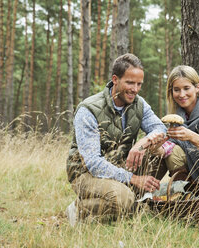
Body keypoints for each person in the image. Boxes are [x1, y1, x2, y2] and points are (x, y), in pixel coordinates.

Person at [65, 53, 168, 226]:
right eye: (129, 83)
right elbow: (93, 163)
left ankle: (136, 204)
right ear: (115, 79)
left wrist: (141, 144)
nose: (135, 89)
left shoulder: (139, 104)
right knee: (124, 199)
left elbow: (160, 129)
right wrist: (133, 178)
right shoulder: (89, 109)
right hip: (85, 173)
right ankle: (78, 209)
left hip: (120, 165)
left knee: (162, 154)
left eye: (139, 84)